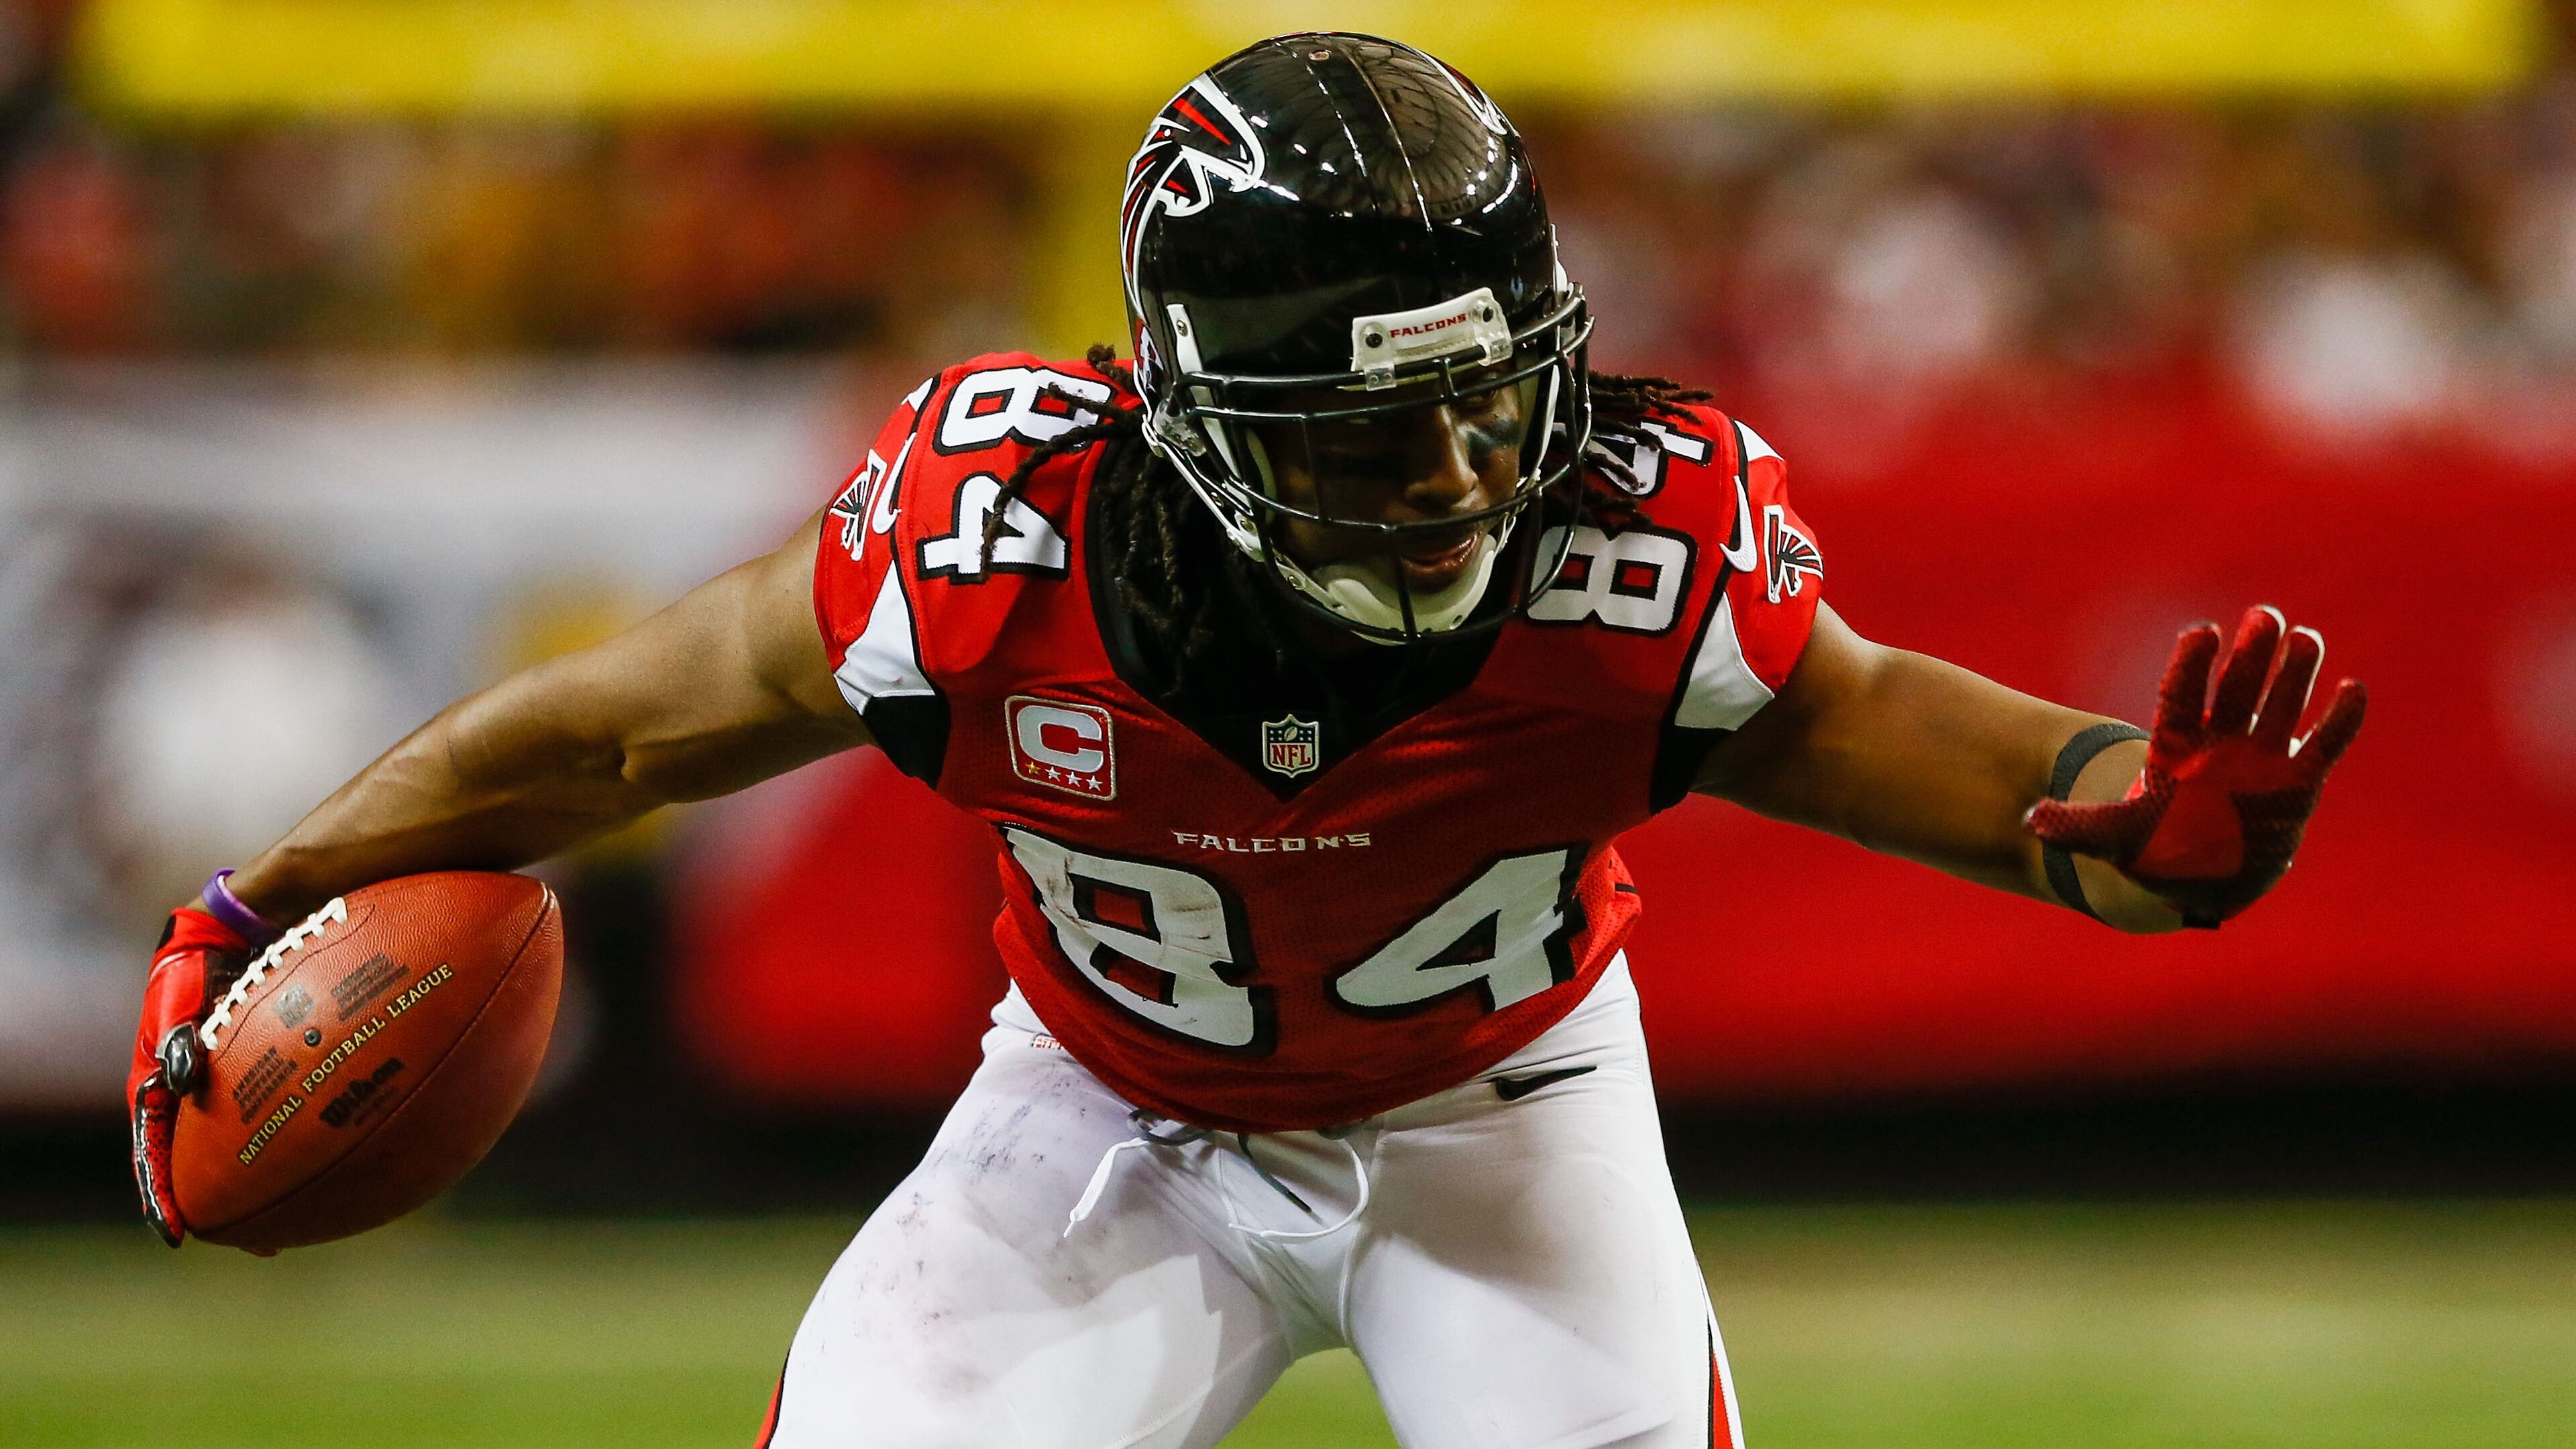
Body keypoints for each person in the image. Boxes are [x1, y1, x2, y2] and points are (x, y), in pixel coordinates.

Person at [125, 33, 2365, 1449]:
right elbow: (621, 739)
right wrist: (265, 895)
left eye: (1493, 405)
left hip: (1507, 1121)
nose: (1470, 482)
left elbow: (1889, 731)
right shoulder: (1001, 542)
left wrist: (2135, 826)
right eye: (1381, 434)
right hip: (1104, 1111)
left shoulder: (1630, 547)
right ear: (1196, 422)